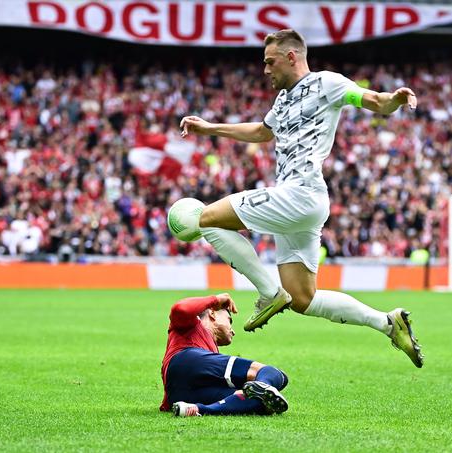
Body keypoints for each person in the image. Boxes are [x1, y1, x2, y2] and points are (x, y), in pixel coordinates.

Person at [175, 29, 423, 367]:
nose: (265, 69)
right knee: (303, 299)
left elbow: (374, 101)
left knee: (206, 218)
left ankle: (267, 291)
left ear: (292, 57)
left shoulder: (328, 84)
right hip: (299, 202)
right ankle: (387, 322)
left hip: (300, 192)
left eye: (269, 61)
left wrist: (395, 98)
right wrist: (210, 128)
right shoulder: (283, 100)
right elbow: (263, 132)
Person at [160, 293, 289, 416]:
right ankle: (263, 385)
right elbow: (181, 308)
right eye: (230, 320)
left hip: (178, 395)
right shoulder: (191, 325)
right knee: (276, 374)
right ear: (212, 313)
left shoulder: (209, 350)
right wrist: (216, 300)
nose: (233, 331)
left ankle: (198, 410)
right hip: (185, 359)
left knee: (260, 402)